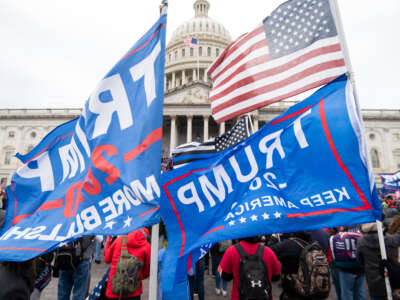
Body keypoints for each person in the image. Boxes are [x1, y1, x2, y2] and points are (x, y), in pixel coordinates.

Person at [220, 236, 281, 300]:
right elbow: (276, 277)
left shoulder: (231, 251)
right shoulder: (269, 252)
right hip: (264, 296)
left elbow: (225, 276)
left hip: (239, 297)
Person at [104, 228, 151, 300]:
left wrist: (107, 242)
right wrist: (136, 276)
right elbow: (147, 272)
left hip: (114, 288)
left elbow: (106, 259)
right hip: (134, 290)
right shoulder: (147, 246)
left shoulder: (119, 240)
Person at [357, 222, 400, 300]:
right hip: (392, 278)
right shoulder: (390, 239)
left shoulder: (361, 242)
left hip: (373, 280)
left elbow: (360, 260)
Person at [330, 227, 365, 300]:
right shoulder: (361, 235)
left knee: (347, 293)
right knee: (360, 292)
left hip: (345, 268)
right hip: (360, 267)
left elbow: (334, 256)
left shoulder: (335, 237)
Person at [57, 236, 95, 300]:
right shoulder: (89, 226)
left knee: (63, 293)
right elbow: (99, 239)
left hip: (65, 258)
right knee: (79, 293)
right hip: (82, 261)